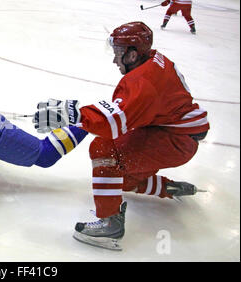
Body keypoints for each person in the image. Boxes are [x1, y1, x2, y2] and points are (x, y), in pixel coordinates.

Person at [33, 21, 209, 250]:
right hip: (171, 130)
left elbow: (113, 123)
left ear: (133, 55)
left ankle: (110, 224)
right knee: (117, 179)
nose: (115, 59)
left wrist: (72, 113)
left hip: (176, 140)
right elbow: (130, 110)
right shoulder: (154, 59)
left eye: (118, 53)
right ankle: (167, 188)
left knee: (104, 150)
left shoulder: (142, 82)